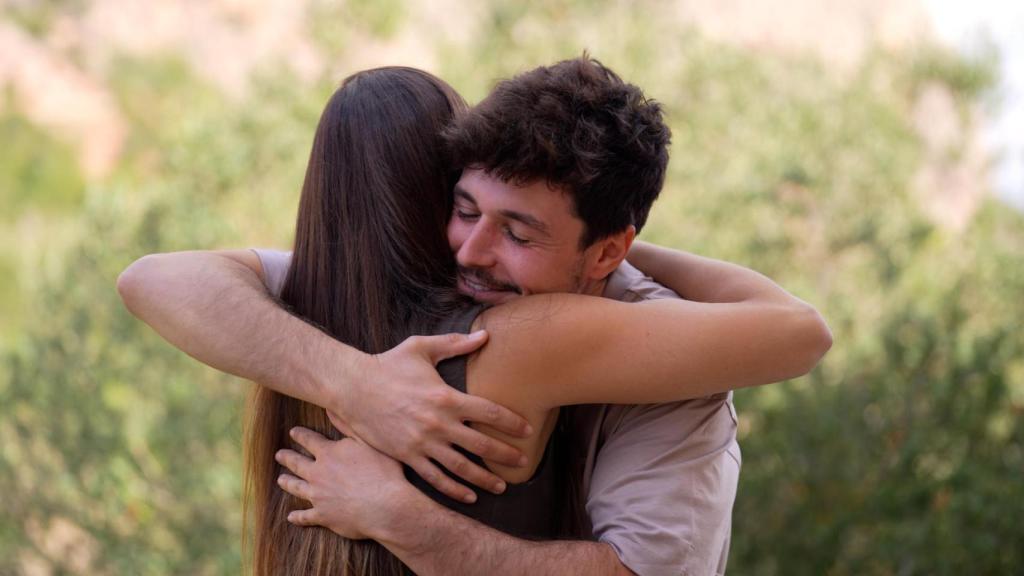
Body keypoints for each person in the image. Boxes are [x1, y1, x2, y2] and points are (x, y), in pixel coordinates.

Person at [118, 58, 832, 575]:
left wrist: (400, 516)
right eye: (462, 209)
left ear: (606, 250)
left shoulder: (328, 304)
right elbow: (152, 278)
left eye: (518, 233)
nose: (472, 251)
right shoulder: (377, 303)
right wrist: (355, 383)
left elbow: (803, 336)